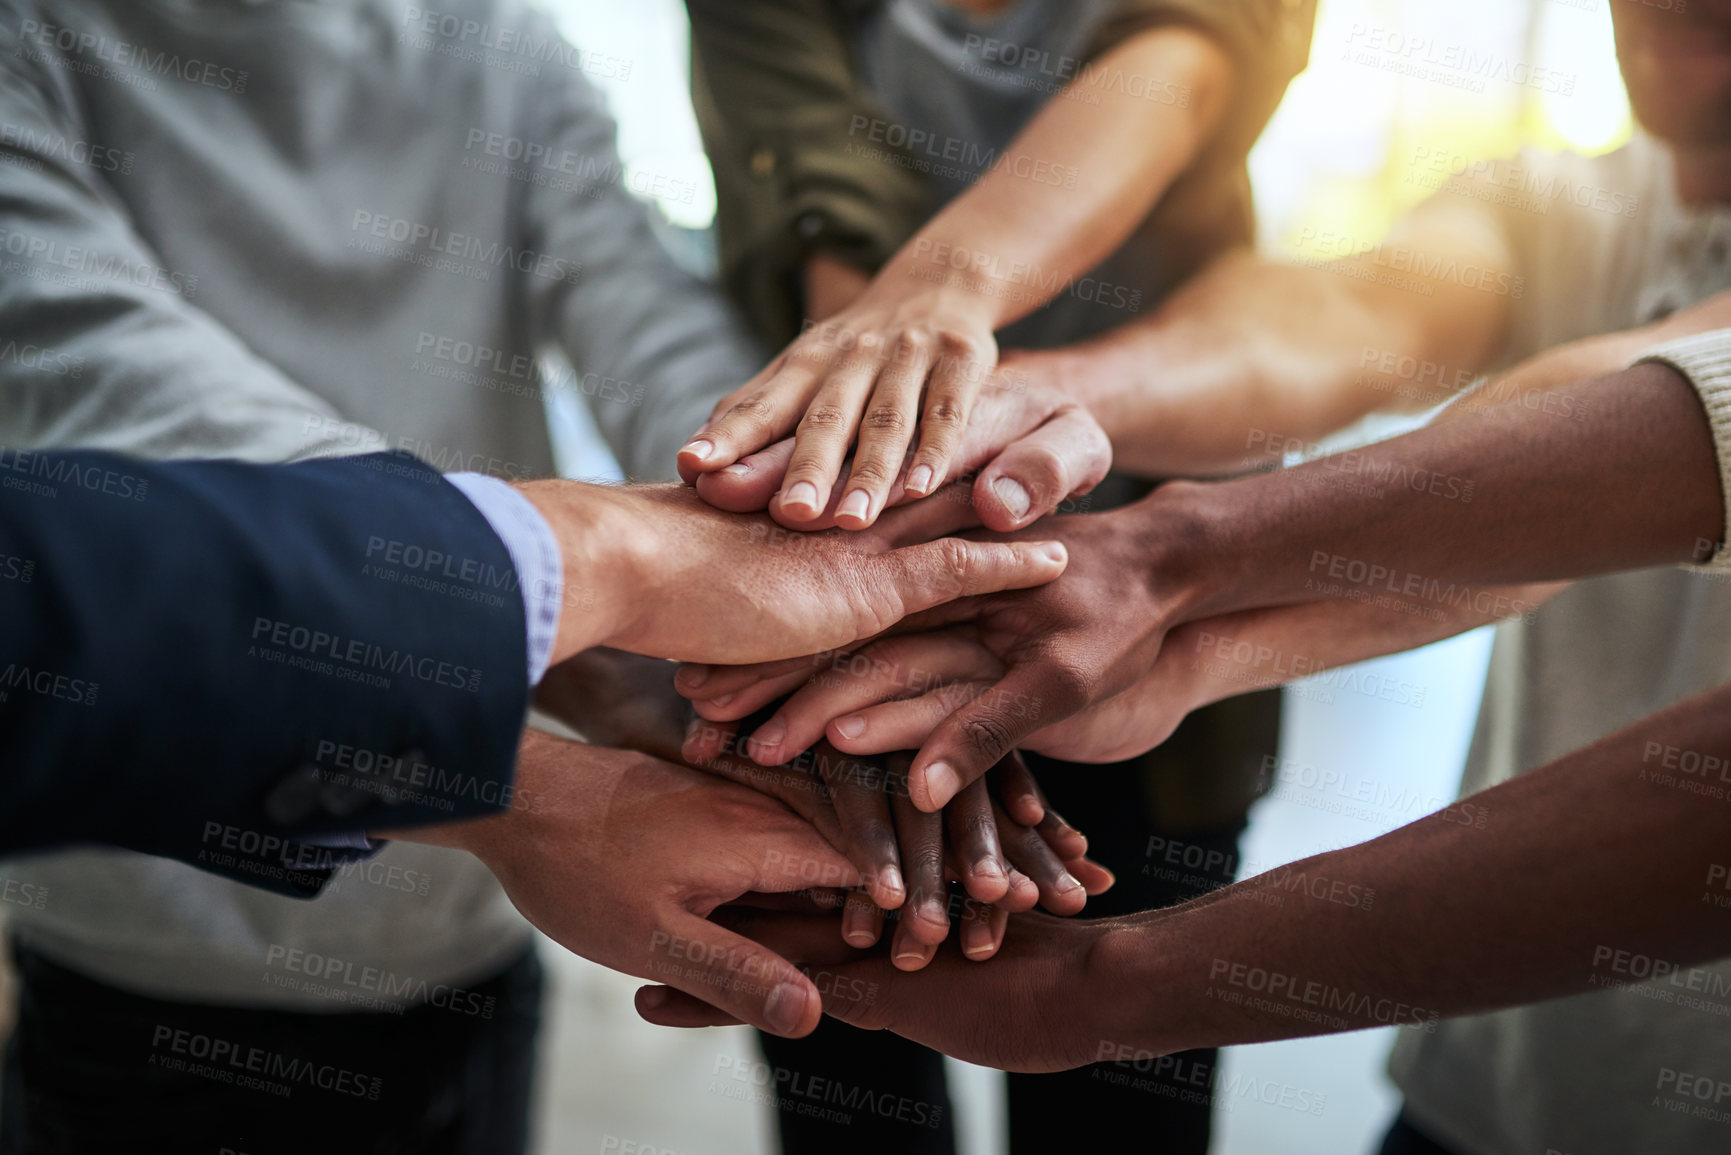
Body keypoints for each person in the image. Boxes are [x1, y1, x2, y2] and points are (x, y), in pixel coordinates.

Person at [0, 0, 1100, 1147]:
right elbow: (113, 371)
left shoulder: (498, 41)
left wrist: (818, 541)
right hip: (142, 878)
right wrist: (584, 578)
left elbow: (645, 314)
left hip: (463, 908)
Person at [681, 0, 1731, 1147]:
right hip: (1490, 1086)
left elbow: (1616, 427)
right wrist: (1039, 412)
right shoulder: (1571, 201)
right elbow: (1334, 316)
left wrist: (1171, 576)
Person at [681, 1, 1312, 1149]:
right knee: (852, 1077)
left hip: (1143, 635)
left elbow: (1188, 64)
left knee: (1118, 1075)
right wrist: (882, 578)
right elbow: (828, 219)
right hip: (830, 644)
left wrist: (942, 291)